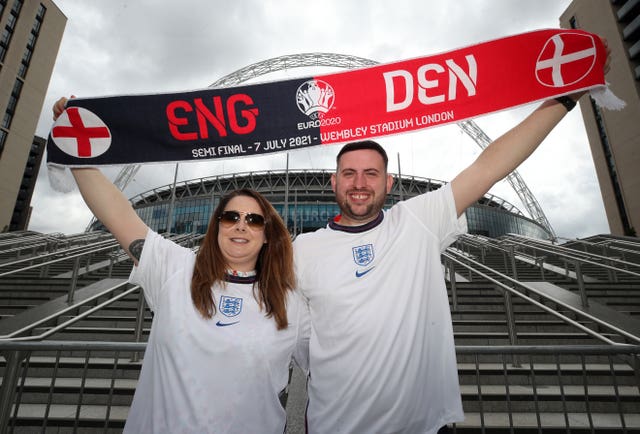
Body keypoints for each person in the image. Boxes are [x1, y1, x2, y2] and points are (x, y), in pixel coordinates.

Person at [293, 54, 611, 432]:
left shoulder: (416, 221)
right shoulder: (302, 249)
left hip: (421, 425)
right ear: (333, 182)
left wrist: (568, 96)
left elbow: (489, 166)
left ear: (389, 183)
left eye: (371, 173)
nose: (359, 183)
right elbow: (295, 337)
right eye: (349, 174)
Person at [52, 98, 310, 434]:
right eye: (230, 217)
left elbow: (336, 368)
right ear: (216, 226)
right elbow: (115, 213)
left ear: (267, 235)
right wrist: (76, 143)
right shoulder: (175, 268)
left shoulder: (292, 305)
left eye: (254, 220)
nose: (241, 225)